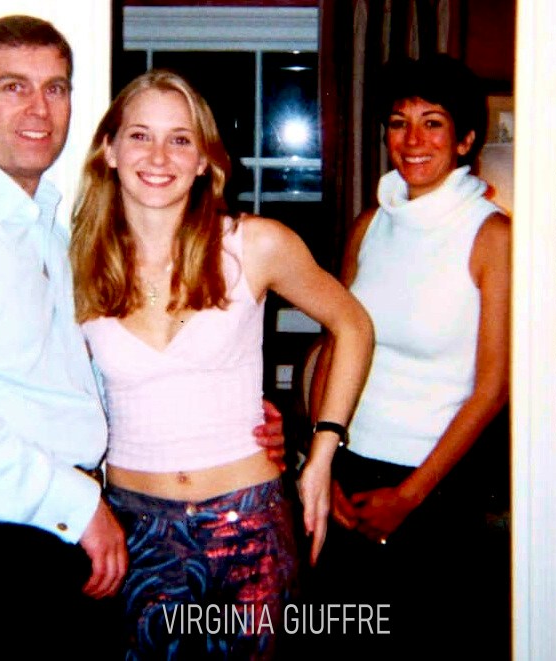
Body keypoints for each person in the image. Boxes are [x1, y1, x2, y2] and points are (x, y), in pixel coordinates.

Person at [0, 16, 284, 660]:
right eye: (14, 87)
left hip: (48, 539)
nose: (39, 109)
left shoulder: (48, 232)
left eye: (56, 88)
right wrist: (79, 505)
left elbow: (69, 381)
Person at [69, 70, 374, 659]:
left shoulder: (254, 245)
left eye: (181, 139)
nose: (159, 156)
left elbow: (353, 324)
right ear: (109, 150)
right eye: (140, 135)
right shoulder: (76, 265)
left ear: (206, 160)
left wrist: (322, 450)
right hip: (133, 535)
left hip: (249, 529)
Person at [307, 54, 511, 657]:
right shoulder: (371, 225)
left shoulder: (491, 235)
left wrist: (411, 497)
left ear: (466, 138)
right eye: (398, 123)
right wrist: (327, 459)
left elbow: (493, 388)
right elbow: (336, 345)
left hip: (435, 492)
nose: (412, 140)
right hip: (349, 478)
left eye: (433, 122)